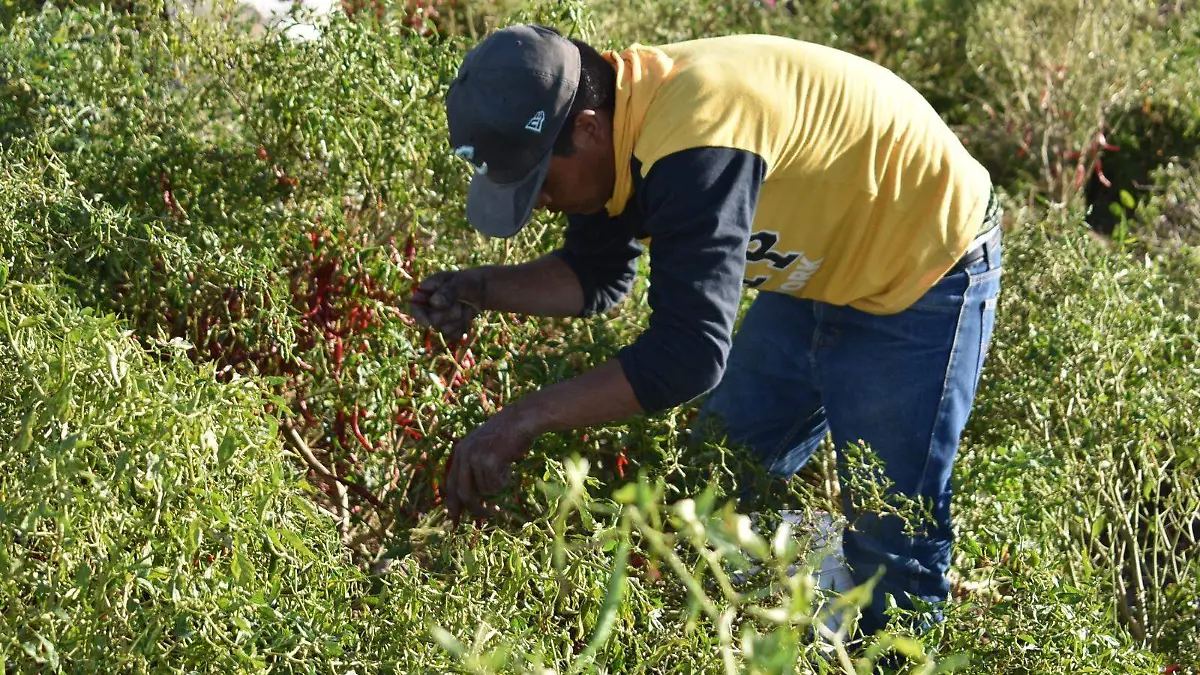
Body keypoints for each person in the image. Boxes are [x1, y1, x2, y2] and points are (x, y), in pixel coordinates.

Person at [409, 23, 1003, 638]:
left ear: (586, 128)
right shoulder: (617, 129)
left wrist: (522, 419)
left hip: (921, 265)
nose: (540, 206)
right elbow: (597, 275)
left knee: (893, 541)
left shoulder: (695, 135)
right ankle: (795, 609)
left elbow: (689, 354)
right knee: (715, 491)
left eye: (542, 184)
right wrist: (478, 289)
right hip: (814, 272)